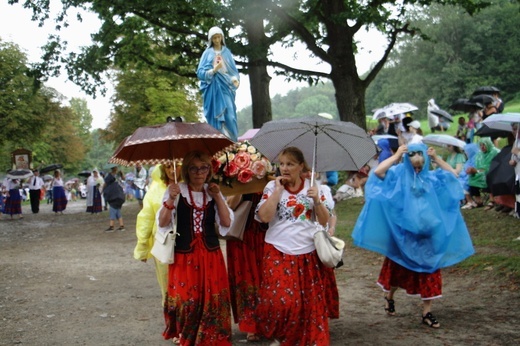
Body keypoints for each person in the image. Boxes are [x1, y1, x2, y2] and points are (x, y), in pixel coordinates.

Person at [352, 143, 475, 329]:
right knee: (398, 270)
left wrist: (436, 159)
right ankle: (390, 297)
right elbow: (378, 173)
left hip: (428, 235)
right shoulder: (398, 175)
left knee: (430, 270)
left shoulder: (431, 178)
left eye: (420, 165)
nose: (417, 169)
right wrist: (397, 156)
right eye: (414, 166)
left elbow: (453, 175)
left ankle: (427, 312)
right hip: (404, 236)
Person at [255, 147, 338, 345]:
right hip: (277, 250)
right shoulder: (271, 187)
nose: (284, 168)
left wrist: (316, 199)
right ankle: (283, 336)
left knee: (308, 304)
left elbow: (325, 221)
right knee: (282, 302)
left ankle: (301, 340)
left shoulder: (313, 186)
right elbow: (264, 217)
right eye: (281, 164)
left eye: (290, 164)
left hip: (307, 252)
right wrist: (277, 191)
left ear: (301, 166)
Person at [157, 151, 233, 345]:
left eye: (204, 167)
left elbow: (226, 222)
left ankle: (211, 335)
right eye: (194, 168)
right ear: (186, 170)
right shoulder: (177, 190)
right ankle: (187, 334)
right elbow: (163, 222)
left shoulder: (213, 191)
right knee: (187, 297)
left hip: (210, 253)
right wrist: (170, 200)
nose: (199, 172)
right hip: (185, 254)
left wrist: (217, 198)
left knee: (212, 296)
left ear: (209, 169)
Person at [134, 162, 182, 305]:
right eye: (167, 167)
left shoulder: (191, 186)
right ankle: (170, 316)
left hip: (188, 242)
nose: (172, 170)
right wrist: (143, 248)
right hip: (163, 243)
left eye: (176, 165)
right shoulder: (154, 190)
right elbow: (146, 219)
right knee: (167, 282)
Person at [226, 193, 267, 342]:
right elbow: (229, 206)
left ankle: (270, 321)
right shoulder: (234, 172)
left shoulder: (276, 174)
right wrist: (243, 189)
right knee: (246, 279)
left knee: (267, 278)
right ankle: (251, 325)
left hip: (266, 233)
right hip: (242, 234)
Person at [196, 26, 240, 141]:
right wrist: (213, 70)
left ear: (222, 38)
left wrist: (235, 79)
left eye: (218, 37)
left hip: (226, 86)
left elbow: (233, 71)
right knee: (215, 118)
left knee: (230, 115)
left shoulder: (227, 53)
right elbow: (200, 73)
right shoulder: (207, 53)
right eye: (214, 38)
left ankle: (233, 142)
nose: (216, 40)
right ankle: (219, 143)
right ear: (211, 39)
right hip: (213, 89)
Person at [466, 138, 500, 210]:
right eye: (480, 145)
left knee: (487, 176)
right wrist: (472, 170)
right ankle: (479, 201)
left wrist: (477, 171)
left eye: (484, 145)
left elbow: (492, 167)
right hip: (481, 172)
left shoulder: (495, 152)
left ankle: (492, 200)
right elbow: (479, 167)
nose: (482, 147)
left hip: (493, 172)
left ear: (488, 144)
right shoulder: (479, 155)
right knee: (472, 177)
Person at [103, 166, 126, 232]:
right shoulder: (119, 175)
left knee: (112, 209)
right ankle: (121, 226)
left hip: (113, 195)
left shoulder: (109, 175)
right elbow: (124, 179)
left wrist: (102, 191)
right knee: (118, 210)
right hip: (120, 194)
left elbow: (105, 183)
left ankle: (111, 226)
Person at [509, 123, 520, 220]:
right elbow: (514, 157)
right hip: (518, 174)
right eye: (513, 129)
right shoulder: (516, 142)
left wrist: (518, 152)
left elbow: (517, 153)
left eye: (516, 129)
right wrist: (513, 161)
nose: (514, 131)